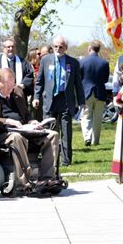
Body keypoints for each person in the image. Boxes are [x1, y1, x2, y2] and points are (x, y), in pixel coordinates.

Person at [0, 68, 59, 191]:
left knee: (52, 135)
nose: (11, 89)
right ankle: (26, 182)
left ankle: (48, 178)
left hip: (24, 129)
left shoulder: (18, 93)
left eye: (12, 85)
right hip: (2, 133)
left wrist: (32, 122)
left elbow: (26, 115)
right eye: (7, 86)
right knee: (17, 137)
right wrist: (7, 121)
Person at [33, 36, 85, 166]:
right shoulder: (45, 60)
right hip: (49, 100)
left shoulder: (73, 62)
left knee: (66, 131)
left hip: (66, 100)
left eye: (61, 46)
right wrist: (36, 97)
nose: (58, 49)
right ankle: (49, 158)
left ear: (66, 48)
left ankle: (66, 160)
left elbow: (78, 84)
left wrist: (81, 101)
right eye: (55, 46)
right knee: (48, 130)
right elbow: (39, 82)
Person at [80, 40, 110, 146]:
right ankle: (95, 140)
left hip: (86, 92)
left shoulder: (82, 62)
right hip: (100, 92)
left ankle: (87, 137)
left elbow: (79, 78)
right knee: (97, 118)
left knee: (86, 116)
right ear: (99, 49)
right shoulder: (104, 63)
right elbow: (106, 79)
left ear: (89, 48)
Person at [27, 48, 42, 121]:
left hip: (41, 96)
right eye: (38, 54)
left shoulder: (42, 66)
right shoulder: (28, 67)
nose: (40, 55)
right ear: (33, 55)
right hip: (31, 96)